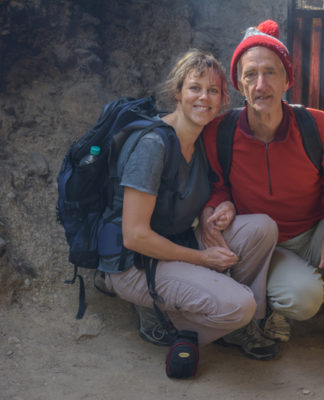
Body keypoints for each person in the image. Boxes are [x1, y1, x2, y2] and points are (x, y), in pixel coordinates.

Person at [201, 21, 324, 365]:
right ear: (239, 84)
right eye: (251, 75)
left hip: (315, 232)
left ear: (288, 80)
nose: (262, 85)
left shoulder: (317, 125)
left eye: (271, 73)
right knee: (302, 299)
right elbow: (214, 188)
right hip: (267, 246)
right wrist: (220, 204)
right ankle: (275, 305)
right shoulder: (220, 133)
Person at [99, 49, 280, 373]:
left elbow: (205, 193)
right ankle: (168, 317)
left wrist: (219, 208)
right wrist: (202, 259)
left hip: (175, 245)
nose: (204, 98)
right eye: (195, 88)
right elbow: (134, 235)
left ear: (223, 98)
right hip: (135, 264)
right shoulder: (153, 146)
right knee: (241, 305)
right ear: (177, 93)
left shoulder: (200, 141)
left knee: (262, 228)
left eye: (213, 90)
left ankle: (234, 323)